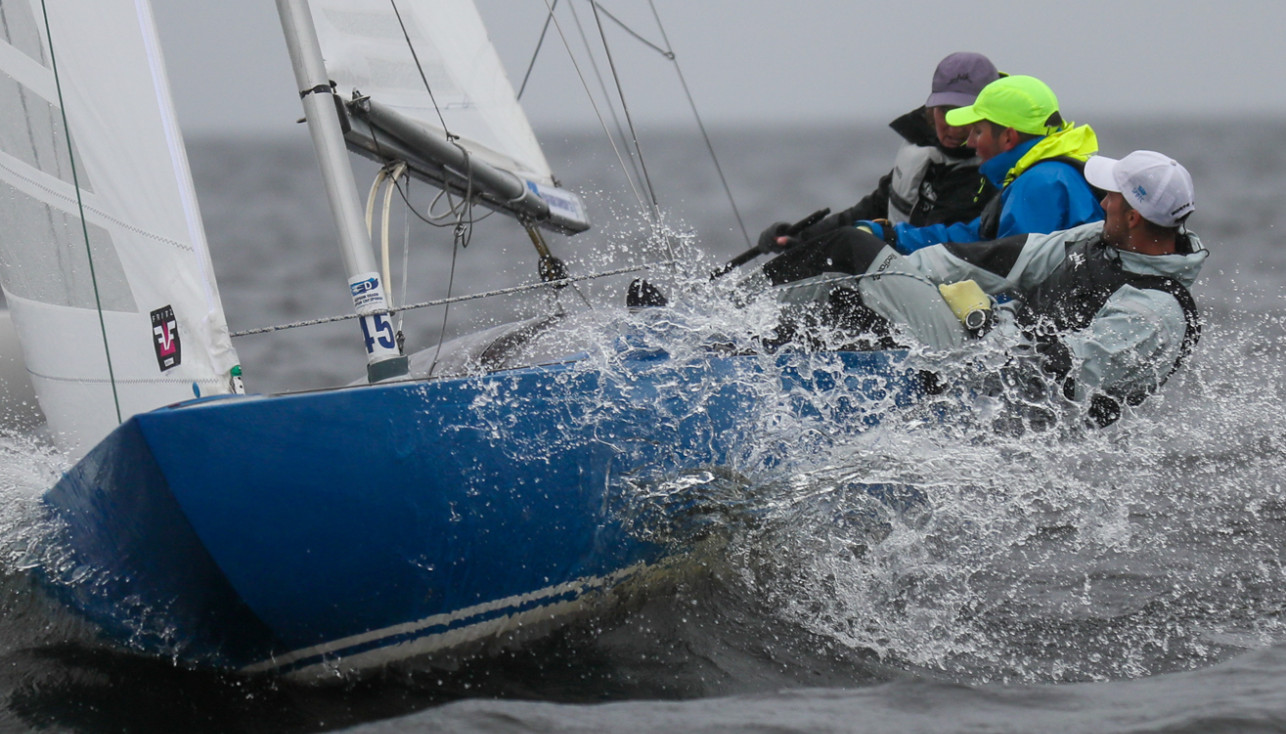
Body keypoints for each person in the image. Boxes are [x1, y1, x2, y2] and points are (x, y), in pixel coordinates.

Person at [760, 150, 1206, 428]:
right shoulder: (1095, 239)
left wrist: (987, 332)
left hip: (1008, 400)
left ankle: (744, 314)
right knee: (858, 289)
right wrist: (903, 274)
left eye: (1113, 197)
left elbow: (1062, 382)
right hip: (988, 348)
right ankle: (751, 339)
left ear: (1132, 216)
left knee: (851, 248)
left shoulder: (1154, 314)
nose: (1103, 201)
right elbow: (998, 259)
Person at [758, 52, 1001, 252]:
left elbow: (945, 244)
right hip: (892, 268)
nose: (952, 125)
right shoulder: (923, 151)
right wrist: (799, 238)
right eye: (944, 111)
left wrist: (870, 238)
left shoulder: (992, 174)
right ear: (931, 109)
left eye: (964, 114)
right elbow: (873, 207)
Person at [852, 74, 1103, 254]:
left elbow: (1013, 275)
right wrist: (893, 237)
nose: (970, 142)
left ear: (1008, 137)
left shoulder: (1040, 185)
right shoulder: (1046, 174)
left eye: (978, 132)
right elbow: (975, 237)